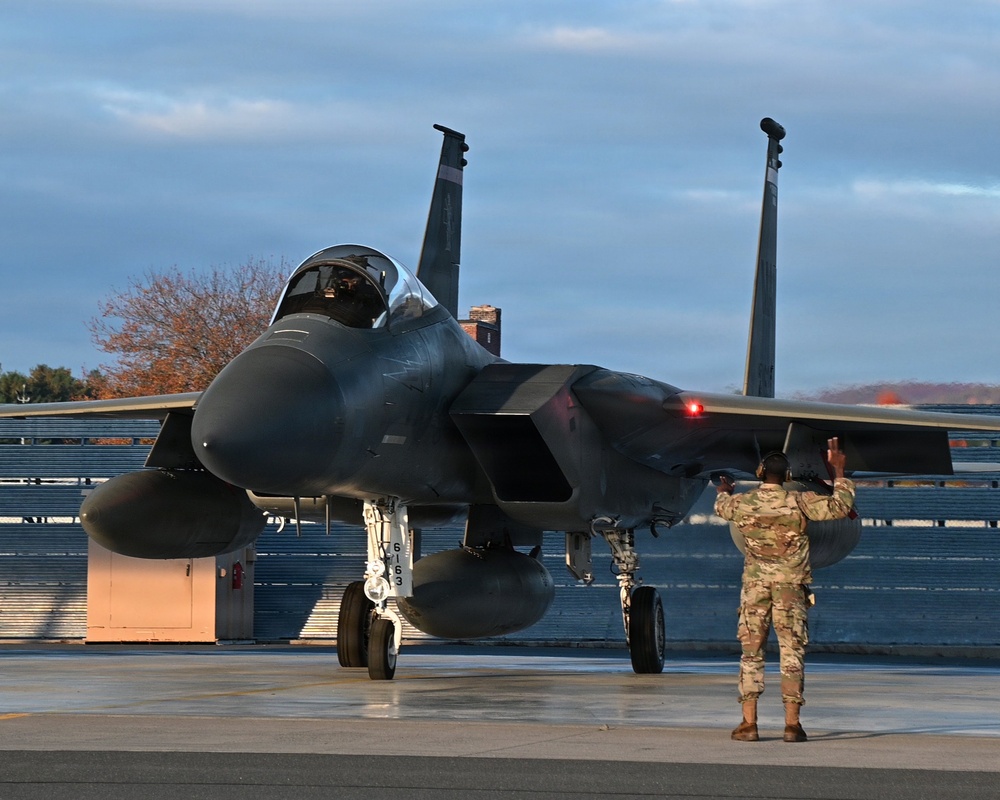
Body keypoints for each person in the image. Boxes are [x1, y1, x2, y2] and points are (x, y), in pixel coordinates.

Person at [714, 438, 855, 743]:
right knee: (792, 653)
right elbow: (840, 507)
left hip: (755, 589)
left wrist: (725, 490)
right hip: (791, 588)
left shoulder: (743, 503)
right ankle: (792, 725)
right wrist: (839, 471)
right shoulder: (799, 501)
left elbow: (722, 507)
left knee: (751, 654)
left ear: (760, 471)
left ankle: (748, 724)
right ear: (788, 476)